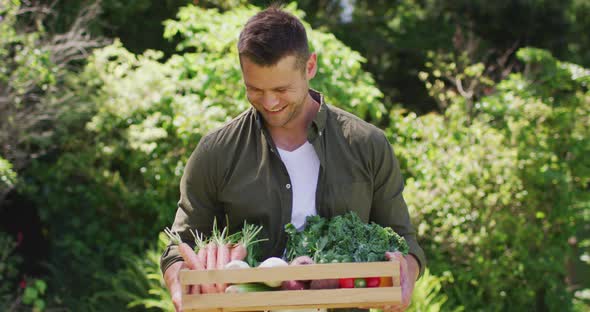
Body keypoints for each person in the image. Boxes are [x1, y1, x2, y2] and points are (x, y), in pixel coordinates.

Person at [161, 4, 426, 312]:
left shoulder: (367, 144)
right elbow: (180, 247)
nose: (270, 102)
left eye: (281, 88)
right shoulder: (216, 151)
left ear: (309, 66)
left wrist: (406, 271)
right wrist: (180, 281)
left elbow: (404, 242)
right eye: (255, 89)